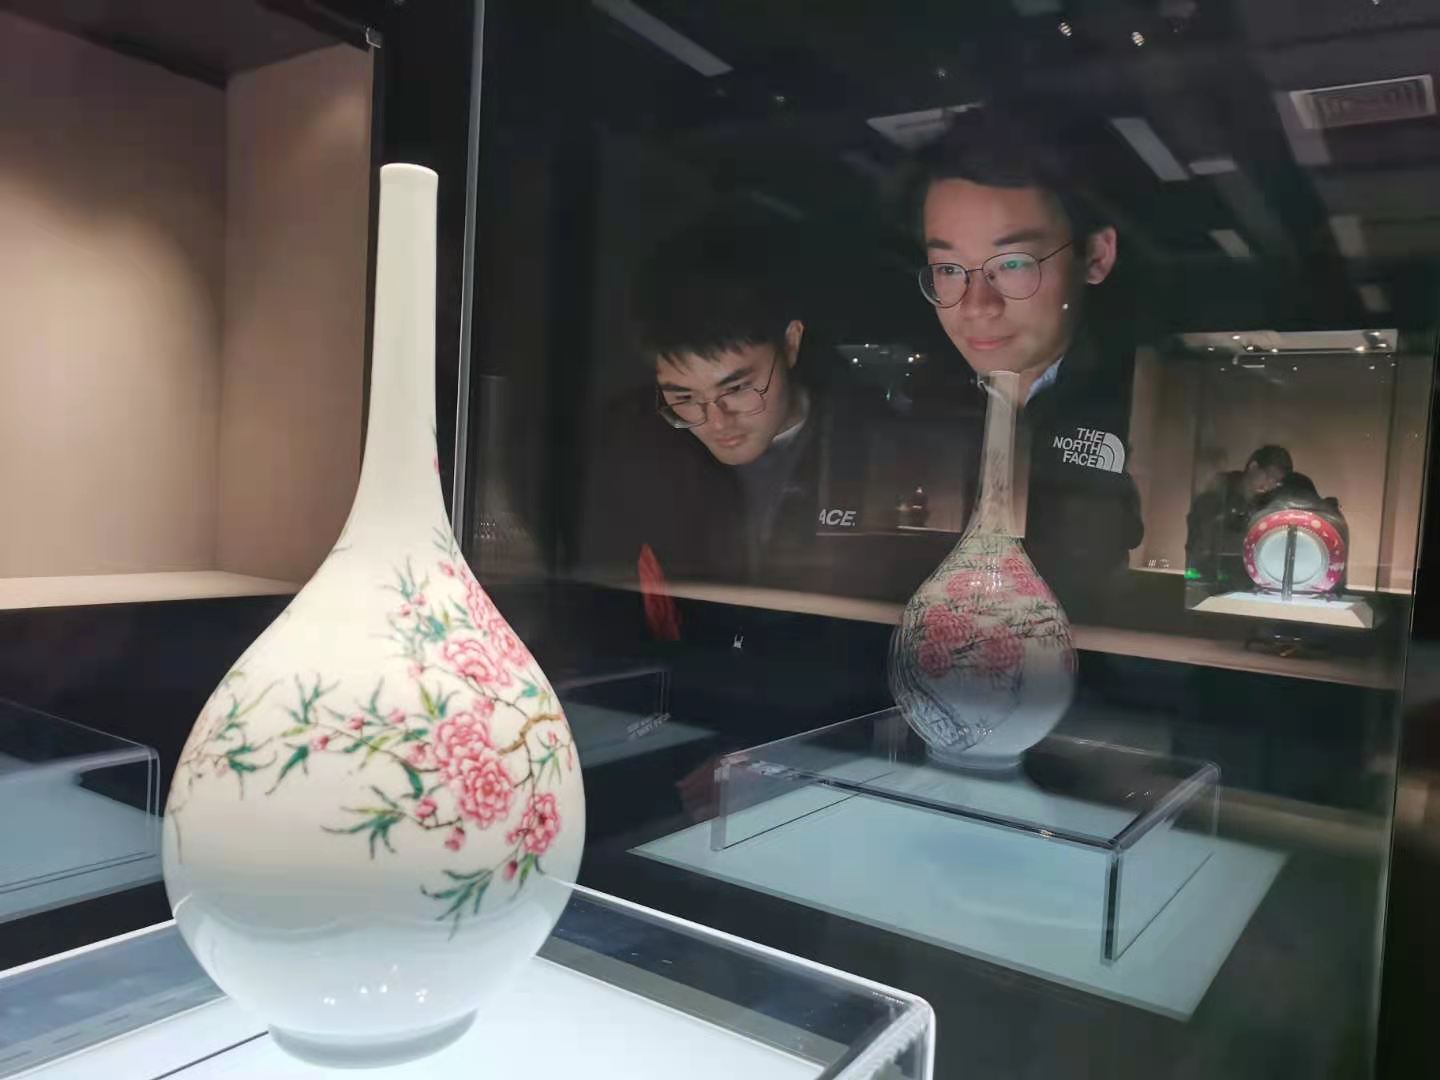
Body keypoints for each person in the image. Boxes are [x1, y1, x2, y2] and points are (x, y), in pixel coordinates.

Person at [915, 113, 1144, 615]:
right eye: (948, 269)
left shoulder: (1141, 409)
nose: (977, 305)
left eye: (1013, 263)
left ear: (1095, 256)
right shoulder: (912, 412)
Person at [1185, 444, 1294, 592]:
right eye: (1268, 476)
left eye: (1276, 482)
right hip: (1209, 577)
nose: (1270, 484)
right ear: (1253, 467)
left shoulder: (1269, 503)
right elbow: (1200, 539)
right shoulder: (1220, 491)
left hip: (1248, 582)